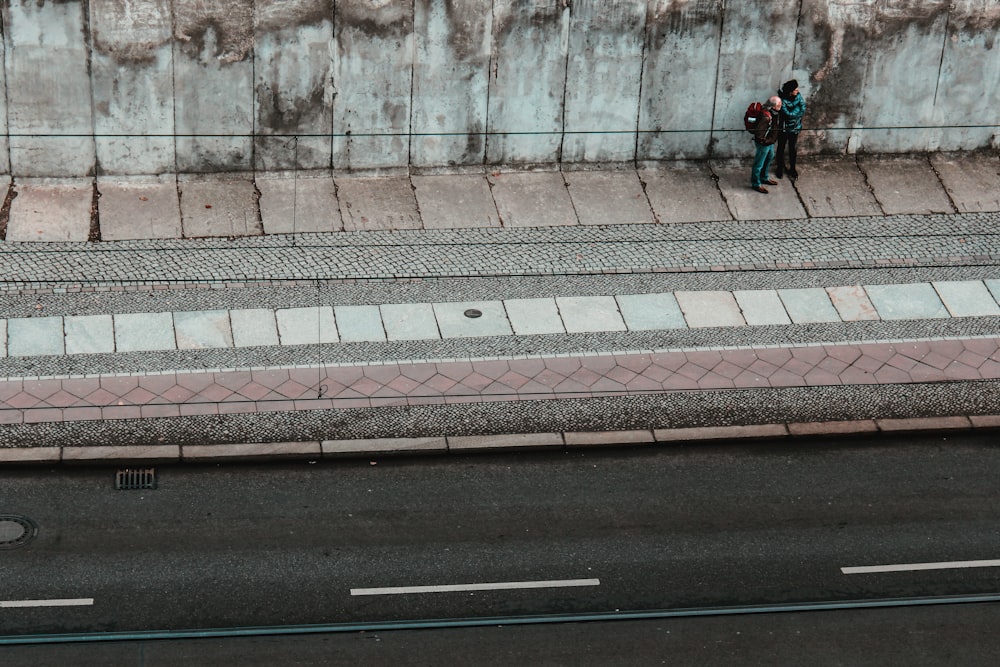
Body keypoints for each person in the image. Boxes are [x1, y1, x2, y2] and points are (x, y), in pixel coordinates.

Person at [775, 79, 805, 179]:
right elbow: (788, 115)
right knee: (781, 148)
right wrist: (797, 112)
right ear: (790, 91)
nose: (798, 90)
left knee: (793, 149)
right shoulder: (782, 100)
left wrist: (795, 112)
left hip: (795, 128)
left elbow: (803, 109)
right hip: (784, 129)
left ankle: (793, 168)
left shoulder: (799, 96)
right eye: (795, 89)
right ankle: (779, 167)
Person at [751, 96, 781, 194]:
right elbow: (759, 135)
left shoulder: (774, 113)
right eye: (779, 104)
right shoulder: (765, 117)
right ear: (772, 106)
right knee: (759, 164)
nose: (781, 106)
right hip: (764, 143)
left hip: (769, 142)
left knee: (770, 156)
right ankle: (756, 184)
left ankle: (764, 177)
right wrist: (766, 142)